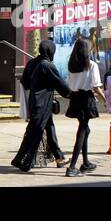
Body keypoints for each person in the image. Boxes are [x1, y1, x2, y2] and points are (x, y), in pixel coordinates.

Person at [11, 38, 70, 172]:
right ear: (50, 51)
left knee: (49, 128)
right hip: (42, 104)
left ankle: (59, 157)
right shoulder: (47, 65)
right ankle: (22, 160)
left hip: (36, 102)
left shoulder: (32, 62)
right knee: (35, 132)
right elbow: (61, 85)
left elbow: (25, 82)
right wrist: (73, 95)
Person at [64, 36, 104, 176]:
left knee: (85, 129)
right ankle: (72, 166)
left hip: (75, 98)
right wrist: (105, 99)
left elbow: (69, 84)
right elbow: (96, 86)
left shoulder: (71, 65)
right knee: (82, 130)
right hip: (86, 98)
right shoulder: (91, 65)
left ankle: (86, 162)